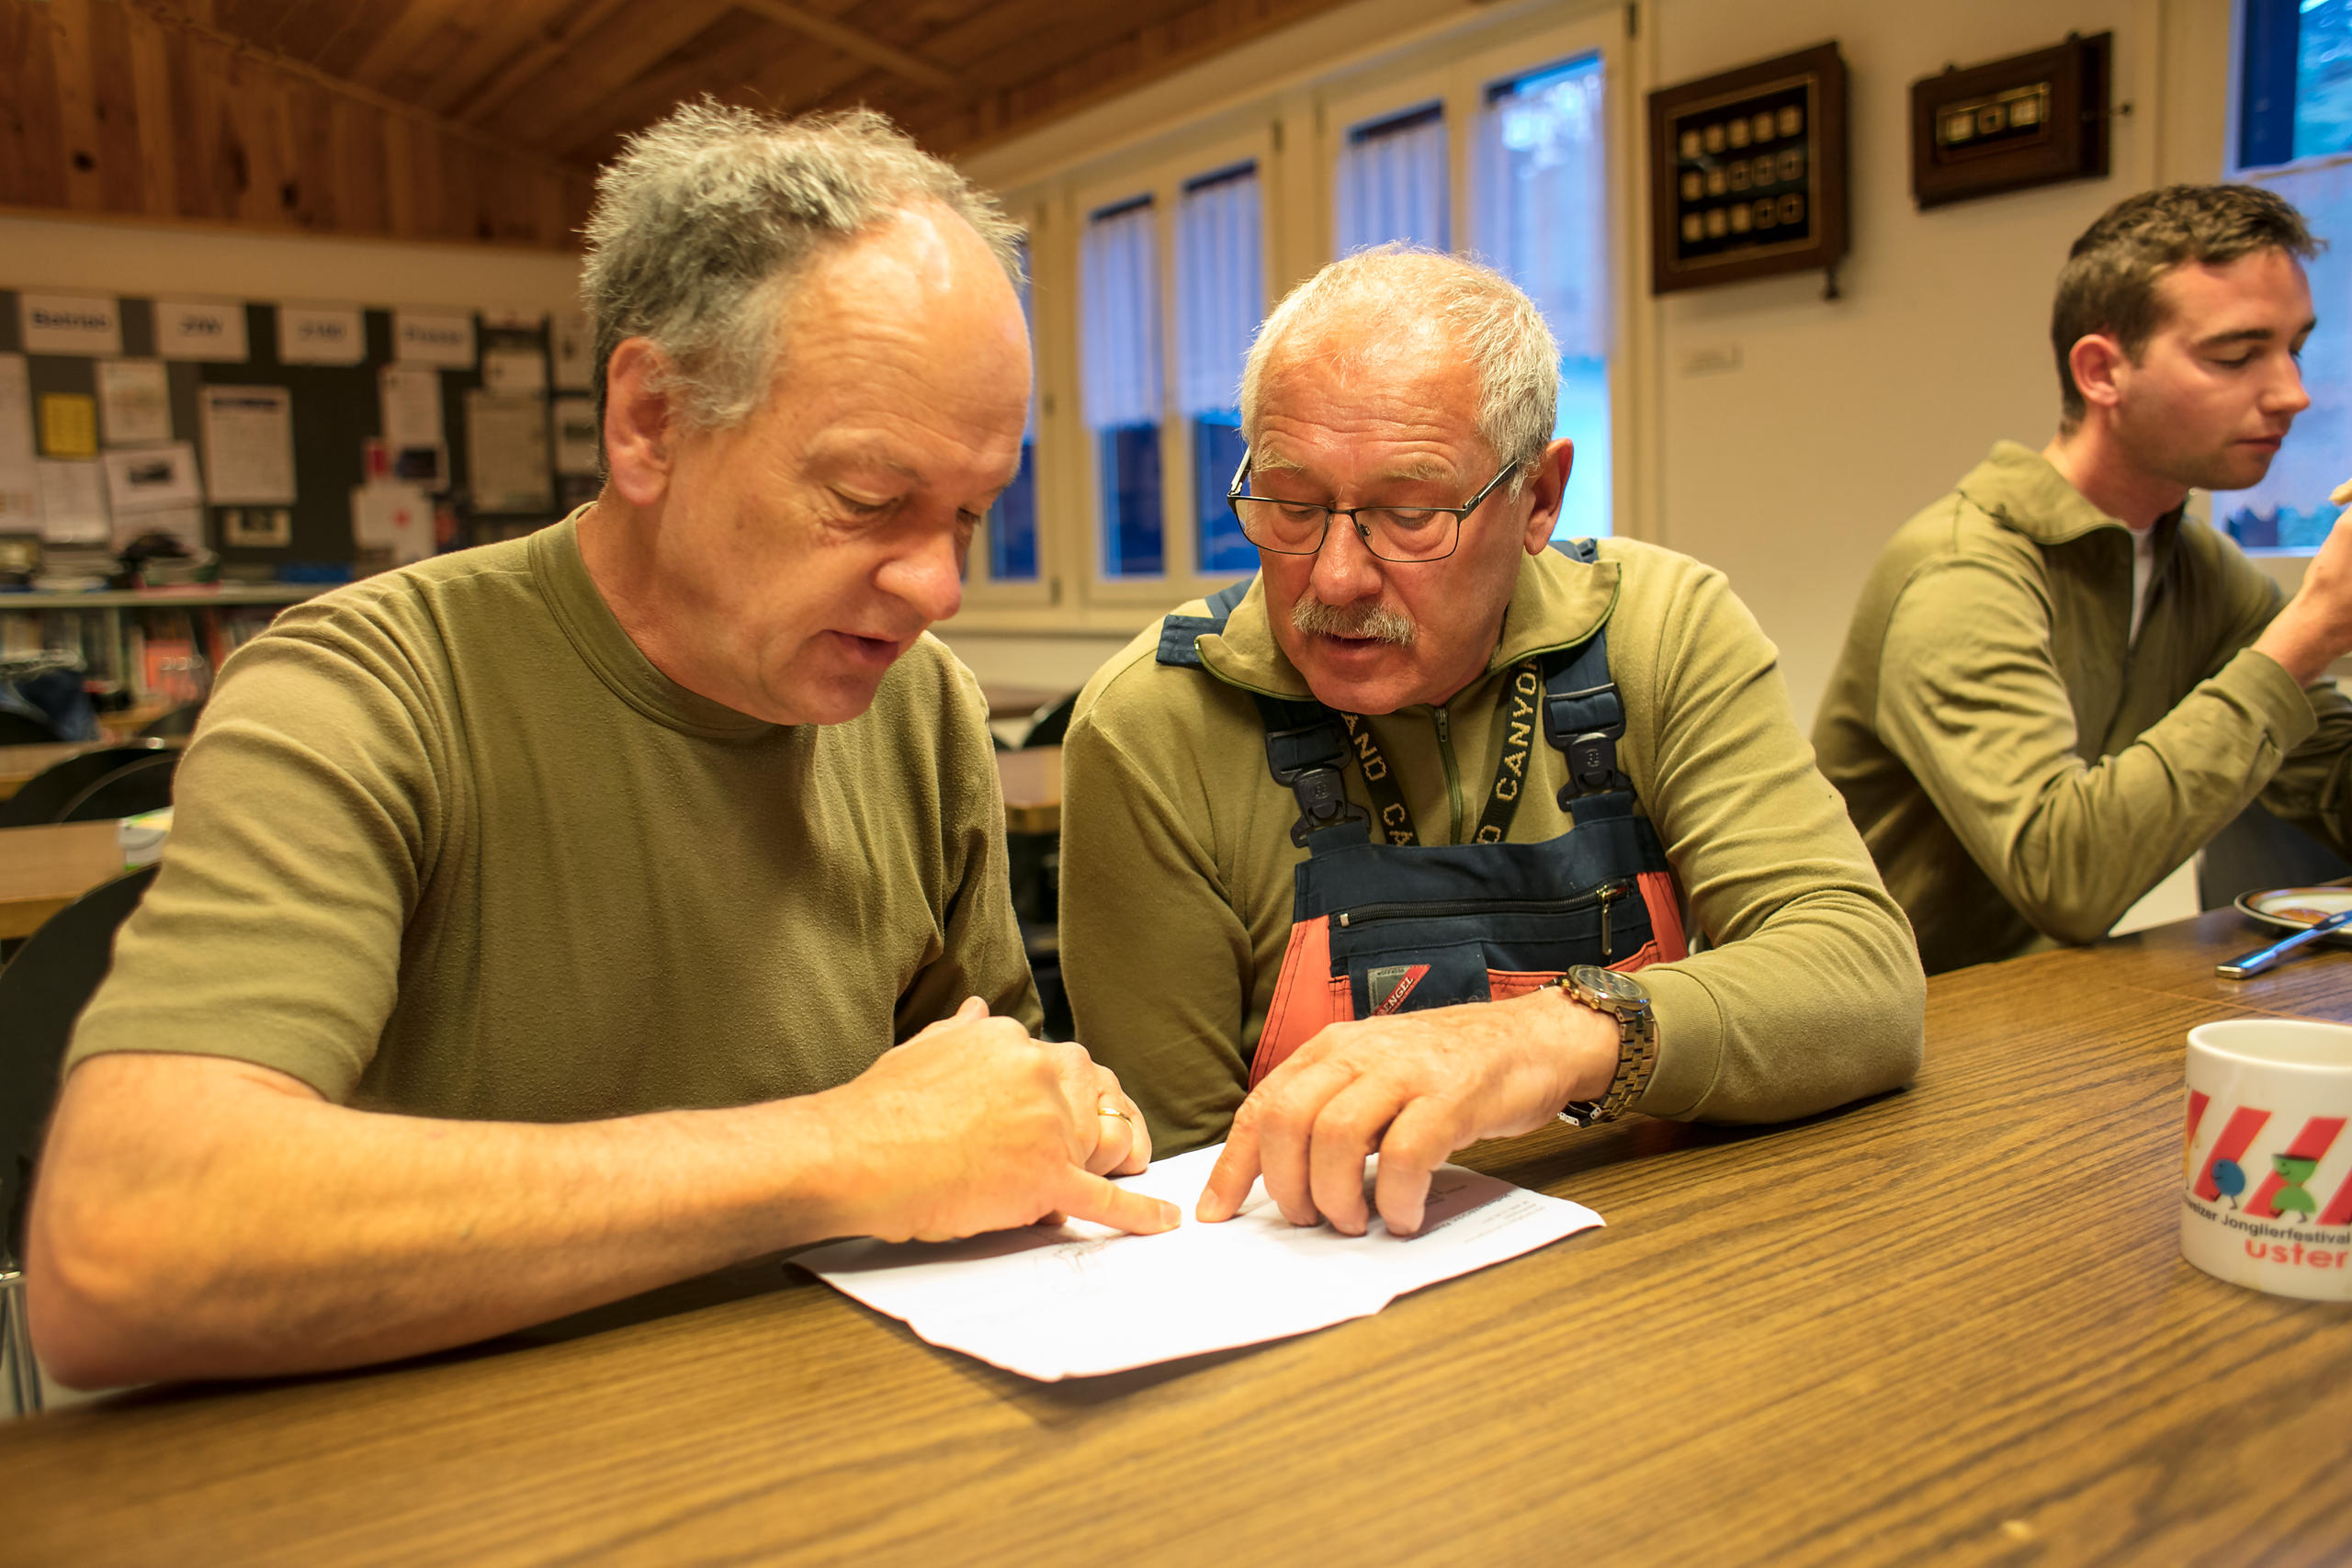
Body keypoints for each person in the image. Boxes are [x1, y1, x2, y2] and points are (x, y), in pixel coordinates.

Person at [27, 104, 1175, 1391]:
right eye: (868, 500)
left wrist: (1058, 1119)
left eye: (970, 512)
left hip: (837, 1436)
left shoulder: (921, 708)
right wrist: (838, 1148)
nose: (937, 585)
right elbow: (126, 1243)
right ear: (651, 421)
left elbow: (983, 1110)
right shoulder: (367, 693)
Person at [1057, 248, 1924, 1240]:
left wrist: (1548, 1037)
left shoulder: (1662, 633)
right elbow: (1190, 1195)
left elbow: (1862, 980)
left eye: (1410, 513)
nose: (1334, 577)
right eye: (1292, 505)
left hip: (1653, 1251)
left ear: (1539, 500)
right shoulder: (1152, 726)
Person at [1814, 184, 2352, 975]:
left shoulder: (2200, 571)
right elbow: (2066, 873)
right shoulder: (1962, 571)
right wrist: (2314, 629)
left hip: (2046, 1002)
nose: (2292, 394)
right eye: (2236, 356)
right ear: (2102, 371)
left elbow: (2334, 788)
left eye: (2294, 349)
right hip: (1883, 1036)